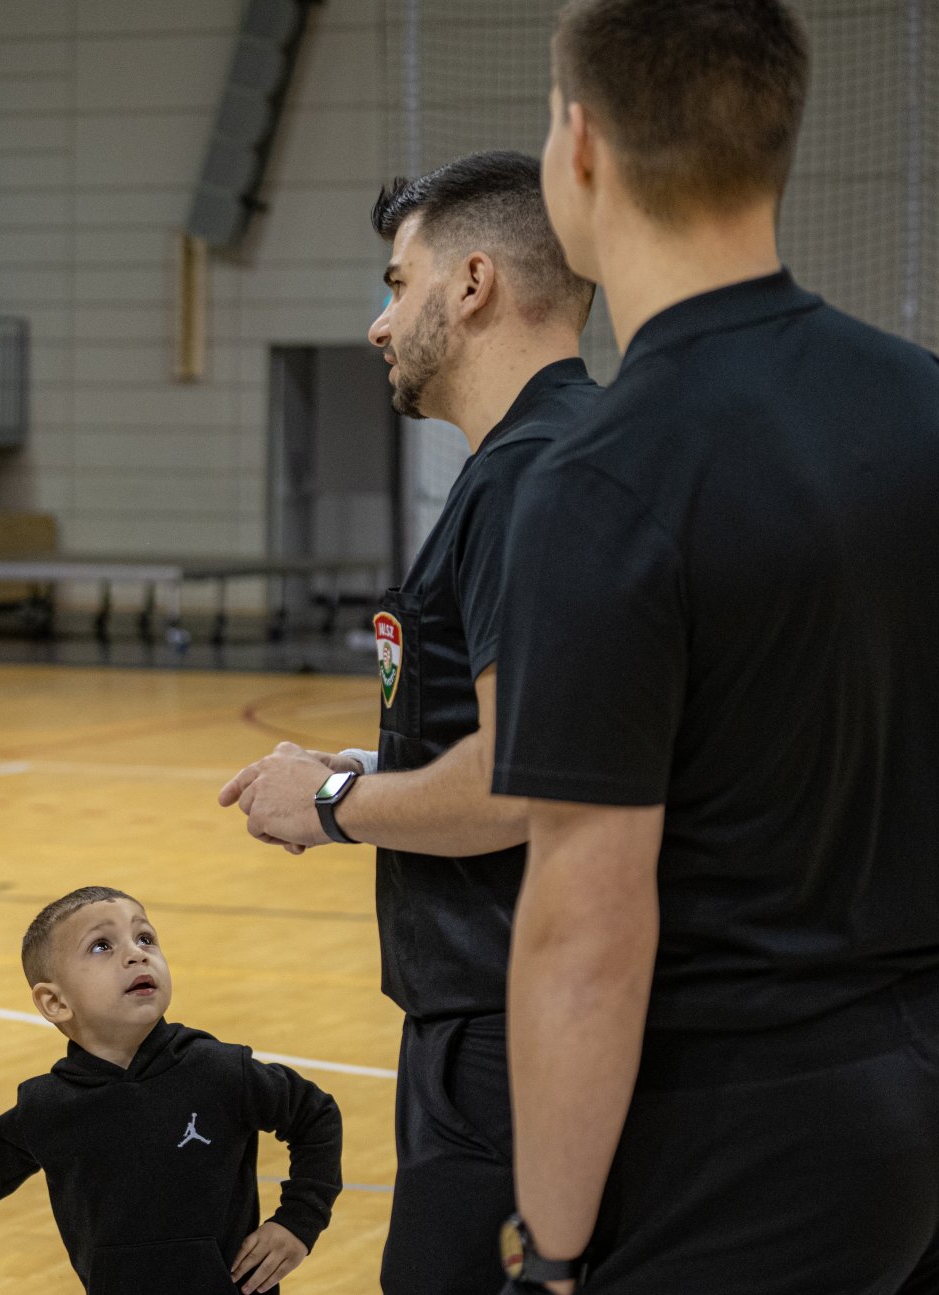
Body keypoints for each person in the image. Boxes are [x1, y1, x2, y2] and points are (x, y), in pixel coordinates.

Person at [489, 2, 939, 1291]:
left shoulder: (606, 475)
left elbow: (586, 925)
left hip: (741, 1133)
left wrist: (548, 1248)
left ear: (581, 144)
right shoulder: (921, 396)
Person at [216, 152, 598, 1294]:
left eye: (397, 282)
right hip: (512, 1009)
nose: (379, 323)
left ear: (473, 283)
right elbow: (573, 736)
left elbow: (524, 776)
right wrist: (366, 762)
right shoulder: (560, 456)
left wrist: (334, 803)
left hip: (508, 1019)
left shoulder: (531, 477)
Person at [0, 887, 342, 1295]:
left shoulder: (219, 1070)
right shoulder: (47, 1107)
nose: (137, 953)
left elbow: (315, 1115)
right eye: (102, 946)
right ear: (55, 1003)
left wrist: (298, 1221)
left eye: (145, 938)